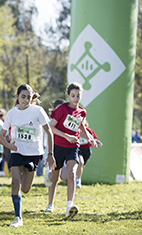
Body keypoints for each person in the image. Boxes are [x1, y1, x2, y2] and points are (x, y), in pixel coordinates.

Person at [0, 84, 55, 227]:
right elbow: (1, 136)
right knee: (15, 183)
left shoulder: (38, 111)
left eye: (28, 97)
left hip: (34, 153)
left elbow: (49, 133)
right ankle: (18, 217)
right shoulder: (11, 113)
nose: (26, 100)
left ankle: (30, 173)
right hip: (17, 151)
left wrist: (50, 154)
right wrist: (9, 145)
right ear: (17, 97)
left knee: (25, 189)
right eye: (23, 97)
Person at [44, 82, 96, 219]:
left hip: (73, 147)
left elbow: (81, 126)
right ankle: (50, 203)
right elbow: (51, 127)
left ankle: (69, 207)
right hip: (58, 146)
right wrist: (66, 136)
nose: (75, 98)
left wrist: (91, 138)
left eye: (78, 96)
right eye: (73, 95)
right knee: (54, 178)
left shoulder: (82, 112)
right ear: (68, 96)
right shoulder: (62, 109)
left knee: (72, 174)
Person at [60, 120, 103, 189]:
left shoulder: (89, 131)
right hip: (75, 149)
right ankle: (67, 173)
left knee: (81, 163)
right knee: (65, 178)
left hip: (85, 151)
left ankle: (78, 179)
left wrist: (95, 141)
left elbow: (93, 138)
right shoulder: (73, 130)